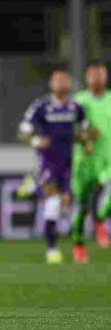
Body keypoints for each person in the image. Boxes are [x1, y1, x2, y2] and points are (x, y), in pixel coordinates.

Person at [18, 70, 89, 264]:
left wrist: (86, 140)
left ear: (69, 84)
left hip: (69, 163)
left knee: (66, 207)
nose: (61, 83)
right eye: (57, 80)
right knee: (52, 203)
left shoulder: (76, 107)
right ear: (51, 84)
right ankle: (52, 249)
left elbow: (84, 131)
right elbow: (24, 132)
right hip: (48, 161)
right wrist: (37, 141)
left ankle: (33, 186)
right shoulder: (42, 107)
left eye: (64, 79)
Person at [71, 63, 111, 263]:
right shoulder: (79, 101)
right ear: (88, 79)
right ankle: (78, 244)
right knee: (82, 206)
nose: (97, 79)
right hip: (85, 161)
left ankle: (101, 221)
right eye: (93, 76)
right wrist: (86, 137)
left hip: (108, 159)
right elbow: (70, 131)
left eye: (100, 75)